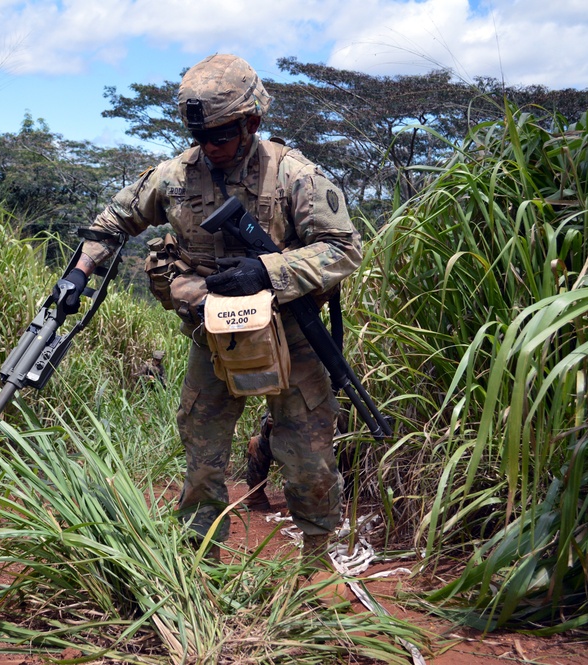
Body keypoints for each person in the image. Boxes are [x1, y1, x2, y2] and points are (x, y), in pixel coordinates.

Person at [54, 54, 362, 566]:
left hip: (293, 335)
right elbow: (115, 218)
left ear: (252, 123)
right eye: (201, 137)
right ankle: (201, 560)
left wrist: (267, 273)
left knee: (309, 459)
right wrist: (78, 273)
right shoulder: (174, 176)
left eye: (220, 136)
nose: (209, 148)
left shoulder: (295, 176)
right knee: (201, 450)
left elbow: (343, 250)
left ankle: (315, 564)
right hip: (214, 337)